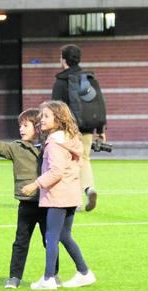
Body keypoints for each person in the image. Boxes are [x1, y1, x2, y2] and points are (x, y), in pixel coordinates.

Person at [0, 109, 59, 289]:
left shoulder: (51, 146)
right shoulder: (16, 147)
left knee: (49, 241)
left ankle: (52, 275)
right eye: (20, 125)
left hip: (47, 202)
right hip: (26, 204)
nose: (21, 129)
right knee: (20, 242)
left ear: (38, 127)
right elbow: (0, 147)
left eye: (25, 125)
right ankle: (14, 277)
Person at [22, 101, 96, 290]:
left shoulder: (54, 143)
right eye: (41, 116)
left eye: (46, 116)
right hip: (71, 194)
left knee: (51, 236)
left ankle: (49, 279)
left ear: (59, 119)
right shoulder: (70, 139)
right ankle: (84, 273)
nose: (41, 119)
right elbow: (77, 165)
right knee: (64, 235)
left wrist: (34, 185)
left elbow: (56, 172)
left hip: (58, 195)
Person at [51, 44, 106, 212]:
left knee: (70, 164)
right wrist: (101, 130)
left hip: (68, 131)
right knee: (84, 159)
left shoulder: (61, 81)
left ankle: (75, 201)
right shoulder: (88, 79)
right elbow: (98, 104)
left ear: (64, 59)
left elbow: (55, 108)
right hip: (87, 128)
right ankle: (89, 188)